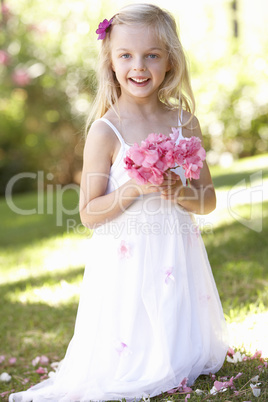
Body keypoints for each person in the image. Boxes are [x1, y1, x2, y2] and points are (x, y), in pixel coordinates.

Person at [10, 3, 228, 401]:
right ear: (110, 61)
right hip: (126, 260)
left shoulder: (185, 122)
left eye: (152, 55)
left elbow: (209, 200)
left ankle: (176, 349)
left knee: (181, 344)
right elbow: (89, 214)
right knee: (131, 344)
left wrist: (181, 192)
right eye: (126, 55)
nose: (138, 66)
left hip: (174, 250)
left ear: (170, 62)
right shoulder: (106, 130)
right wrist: (133, 188)